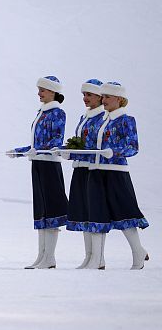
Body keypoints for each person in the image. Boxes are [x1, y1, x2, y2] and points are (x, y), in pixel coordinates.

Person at [82, 81, 149, 269]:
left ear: (119, 99)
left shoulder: (127, 120)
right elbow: (91, 147)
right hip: (96, 172)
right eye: (102, 97)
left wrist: (115, 152)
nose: (103, 100)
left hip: (117, 174)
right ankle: (96, 260)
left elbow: (133, 147)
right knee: (96, 214)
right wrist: (69, 151)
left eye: (107, 97)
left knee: (125, 214)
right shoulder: (101, 121)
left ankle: (137, 254)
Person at [7, 76, 67, 269]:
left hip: (50, 164)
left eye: (42, 89)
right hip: (38, 163)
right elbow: (36, 144)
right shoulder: (41, 112)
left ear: (53, 92)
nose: (39, 93)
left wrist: (38, 150)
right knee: (41, 210)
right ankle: (41, 255)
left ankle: (50, 257)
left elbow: (57, 140)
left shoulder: (58, 113)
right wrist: (20, 151)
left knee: (51, 209)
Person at [59, 79, 107, 269]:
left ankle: (99, 258)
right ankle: (89, 256)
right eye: (84, 95)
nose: (85, 99)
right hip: (80, 168)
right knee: (84, 212)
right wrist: (68, 151)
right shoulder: (84, 117)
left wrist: (79, 150)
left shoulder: (104, 118)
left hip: (94, 170)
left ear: (100, 96)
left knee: (95, 213)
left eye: (89, 95)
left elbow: (98, 145)